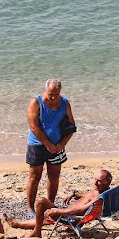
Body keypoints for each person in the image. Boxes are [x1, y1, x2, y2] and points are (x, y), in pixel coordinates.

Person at [6, 169, 112, 238]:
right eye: (95, 179)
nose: (95, 183)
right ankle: (18, 223)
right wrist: (74, 194)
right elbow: (86, 196)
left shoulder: (99, 198)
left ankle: (37, 232)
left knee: (41, 202)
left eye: (99, 181)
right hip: (68, 213)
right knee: (45, 218)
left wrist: (60, 211)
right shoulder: (99, 190)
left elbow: (81, 209)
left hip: (71, 217)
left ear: (107, 182)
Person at [25, 79, 76, 214]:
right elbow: (33, 126)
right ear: (45, 90)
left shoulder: (64, 103)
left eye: (56, 94)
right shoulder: (36, 102)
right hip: (37, 144)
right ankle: (30, 208)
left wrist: (61, 144)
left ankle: (50, 204)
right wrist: (47, 144)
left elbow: (72, 126)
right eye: (50, 94)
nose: (52, 97)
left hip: (57, 145)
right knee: (35, 176)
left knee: (54, 176)